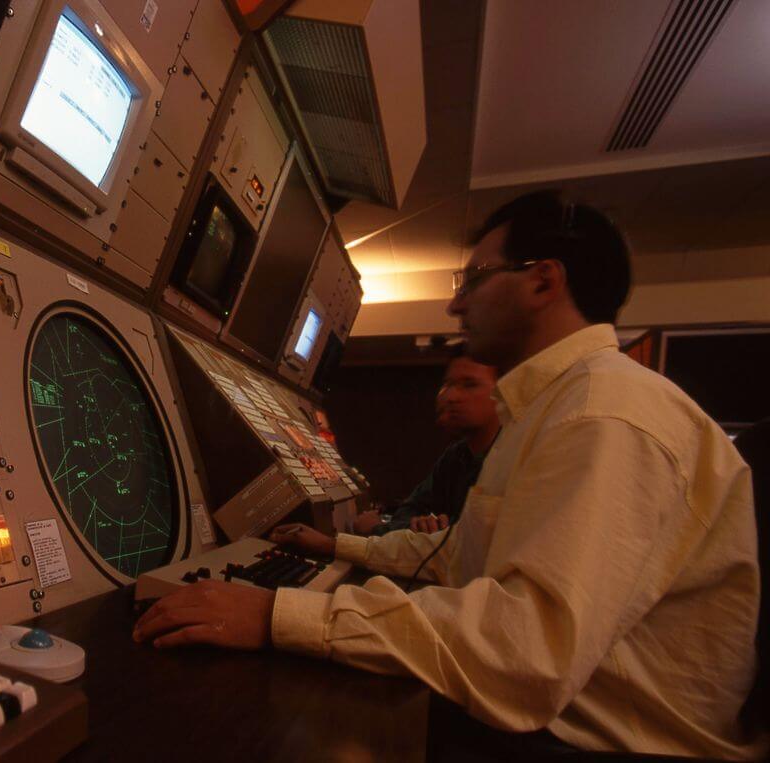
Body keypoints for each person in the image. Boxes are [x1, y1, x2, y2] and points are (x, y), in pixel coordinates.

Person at [132, 190, 764, 759]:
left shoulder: (606, 415)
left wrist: (281, 617)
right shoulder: (553, 410)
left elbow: (526, 653)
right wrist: (333, 556)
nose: (456, 300)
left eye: (475, 278)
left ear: (543, 282)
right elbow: (452, 558)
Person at [353, 346, 499, 536]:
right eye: (448, 384)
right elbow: (407, 512)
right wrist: (420, 526)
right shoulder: (456, 456)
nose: (451, 397)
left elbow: (465, 538)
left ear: (503, 391)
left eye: (469, 384)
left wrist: (377, 528)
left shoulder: (510, 456)